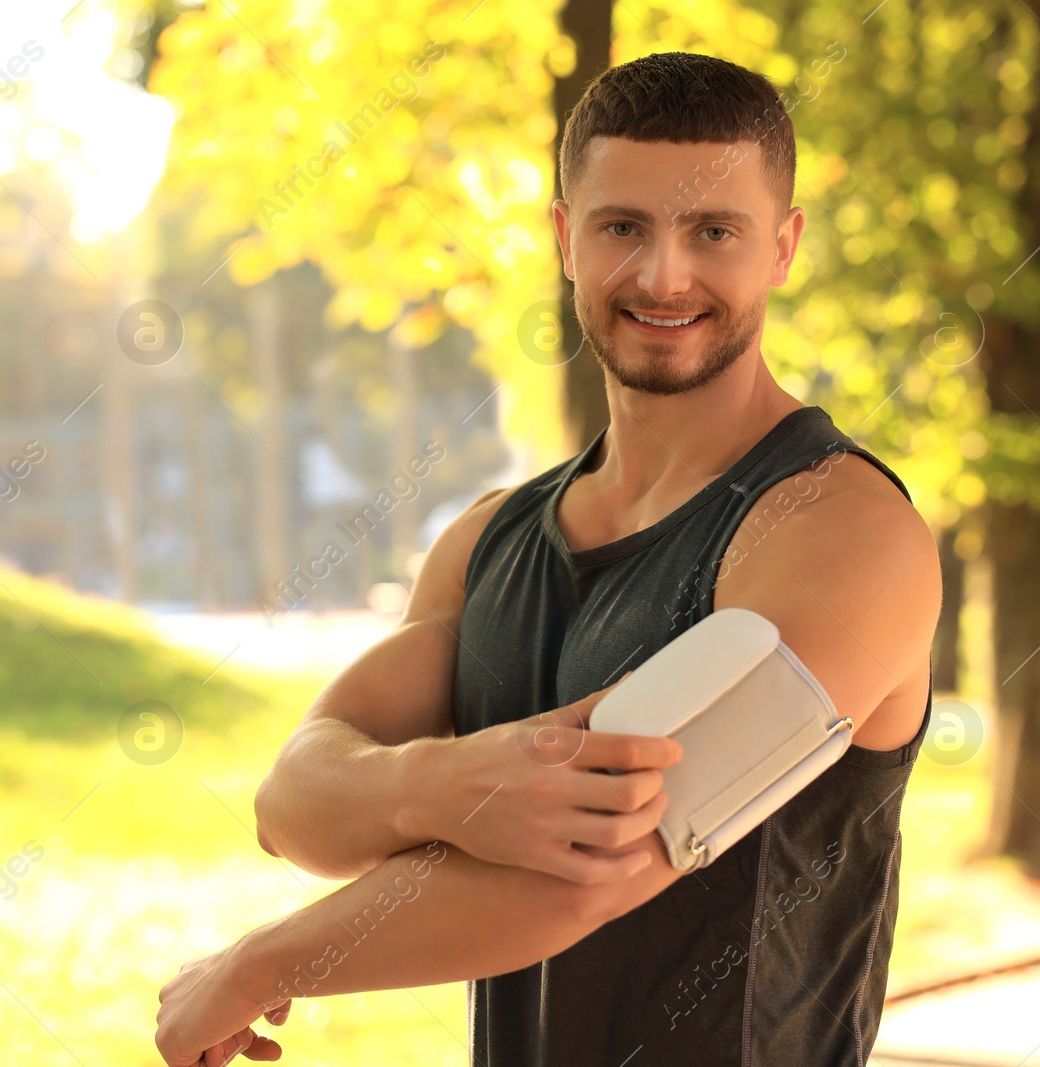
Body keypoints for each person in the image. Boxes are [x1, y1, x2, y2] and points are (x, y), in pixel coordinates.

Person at [155, 50, 940, 1067]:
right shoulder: (486, 543)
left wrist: (254, 965)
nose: (665, 275)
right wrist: (441, 787)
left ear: (781, 247)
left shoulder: (844, 534)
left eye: (714, 232)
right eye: (623, 226)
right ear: (566, 239)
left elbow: (588, 870)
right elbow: (287, 805)